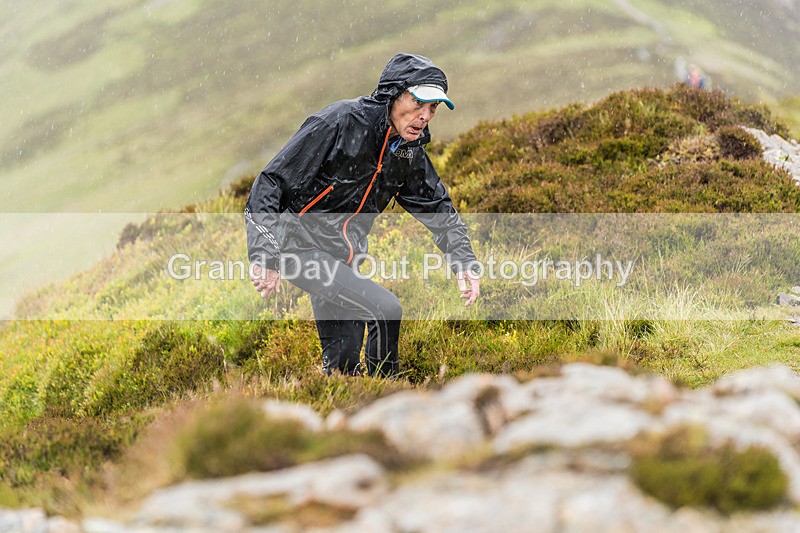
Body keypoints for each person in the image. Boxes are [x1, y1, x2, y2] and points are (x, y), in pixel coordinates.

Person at [245, 53, 480, 378]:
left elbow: (438, 207)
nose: (425, 116)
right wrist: (266, 255)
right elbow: (270, 183)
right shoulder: (339, 123)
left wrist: (463, 259)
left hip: (345, 256)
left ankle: (346, 402)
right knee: (386, 309)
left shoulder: (406, 151)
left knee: (343, 369)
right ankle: (390, 392)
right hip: (297, 247)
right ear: (392, 95)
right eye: (418, 103)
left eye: (433, 107)